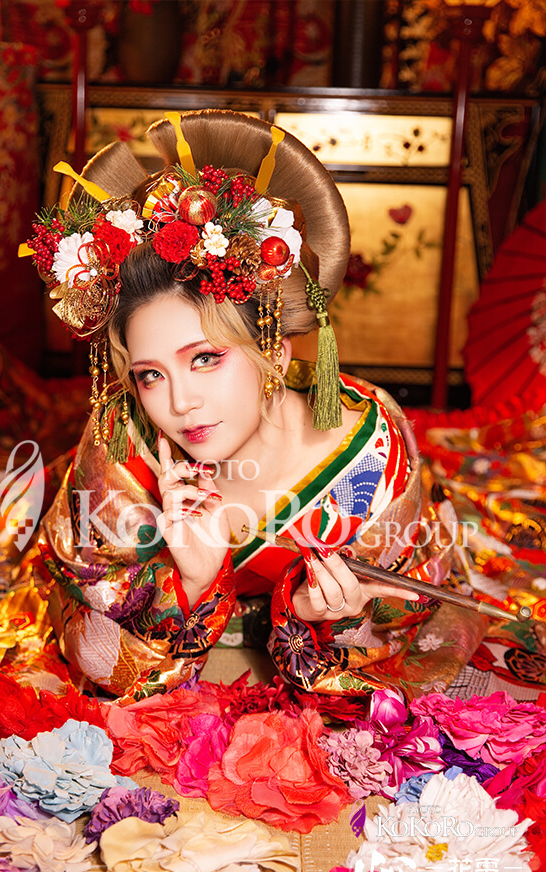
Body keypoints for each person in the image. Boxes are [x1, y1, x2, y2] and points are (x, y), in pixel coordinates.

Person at [28, 109, 488, 705]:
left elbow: (403, 624)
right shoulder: (125, 438)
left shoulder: (369, 458)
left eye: (205, 358)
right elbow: (89, 629)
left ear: (274, 350)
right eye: (150, 374)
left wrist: (324, 621)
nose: (180, 403)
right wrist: (192, 583)